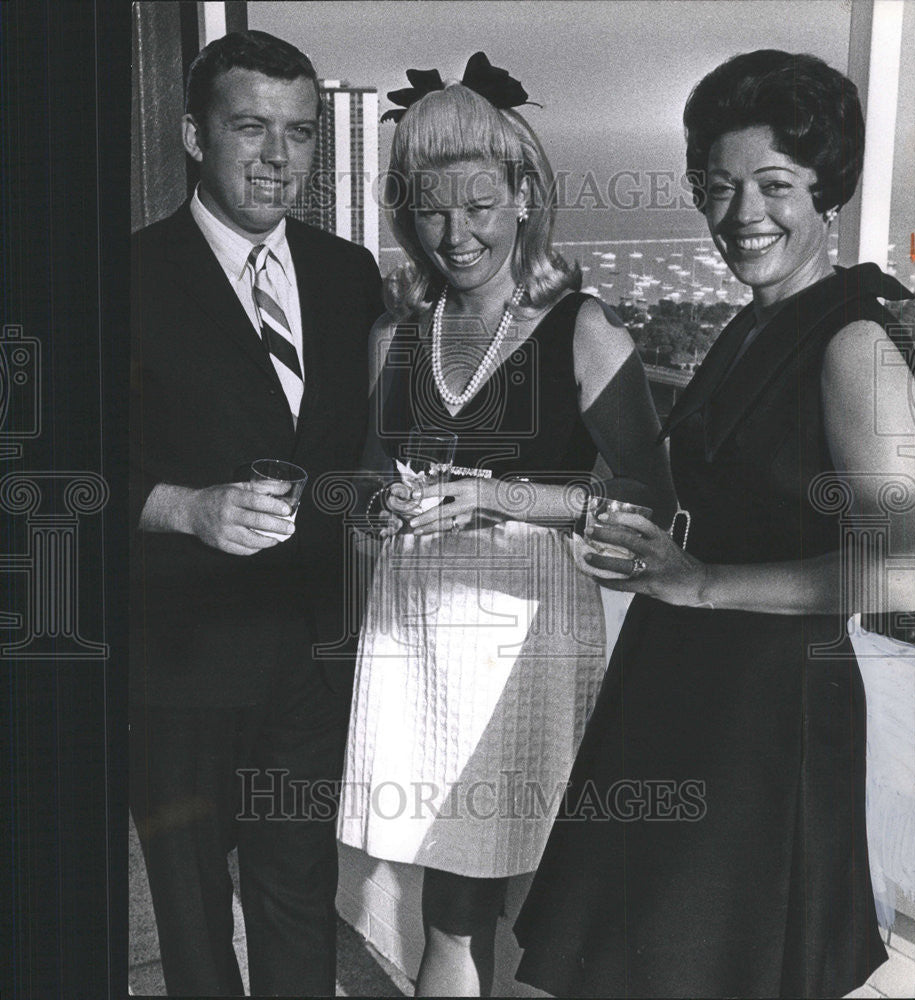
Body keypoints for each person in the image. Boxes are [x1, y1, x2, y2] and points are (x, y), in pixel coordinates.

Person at [514, 49, 915, 998]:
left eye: (775, 185)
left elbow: (904, 567)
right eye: (718, 187)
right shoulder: (759, 319)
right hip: (682, 689)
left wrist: (701, 581)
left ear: (829, 191)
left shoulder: (852, 338)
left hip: (760, 726)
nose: (743, 216)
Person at [336, 54, 675, 997]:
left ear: (523, 198)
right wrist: (381, 503)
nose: (457, 234)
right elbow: (366, 479)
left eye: (480, 206)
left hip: (535, 650)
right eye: (433, 211)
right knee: (453, 911)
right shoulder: (393, 337)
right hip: (422, 655)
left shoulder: (582, 327)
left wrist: (498, 496)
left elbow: (650, 494)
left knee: (557, 910)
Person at [129, 30, 381, 997]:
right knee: (191, 914)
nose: (279, 158)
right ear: (194, 134)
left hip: (312, 659)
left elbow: (353, 451)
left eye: (301, 133)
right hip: (175, 662)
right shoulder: (121, 277)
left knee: (298, 894)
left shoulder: (347, 272)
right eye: (250, 128)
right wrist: (184, 507)